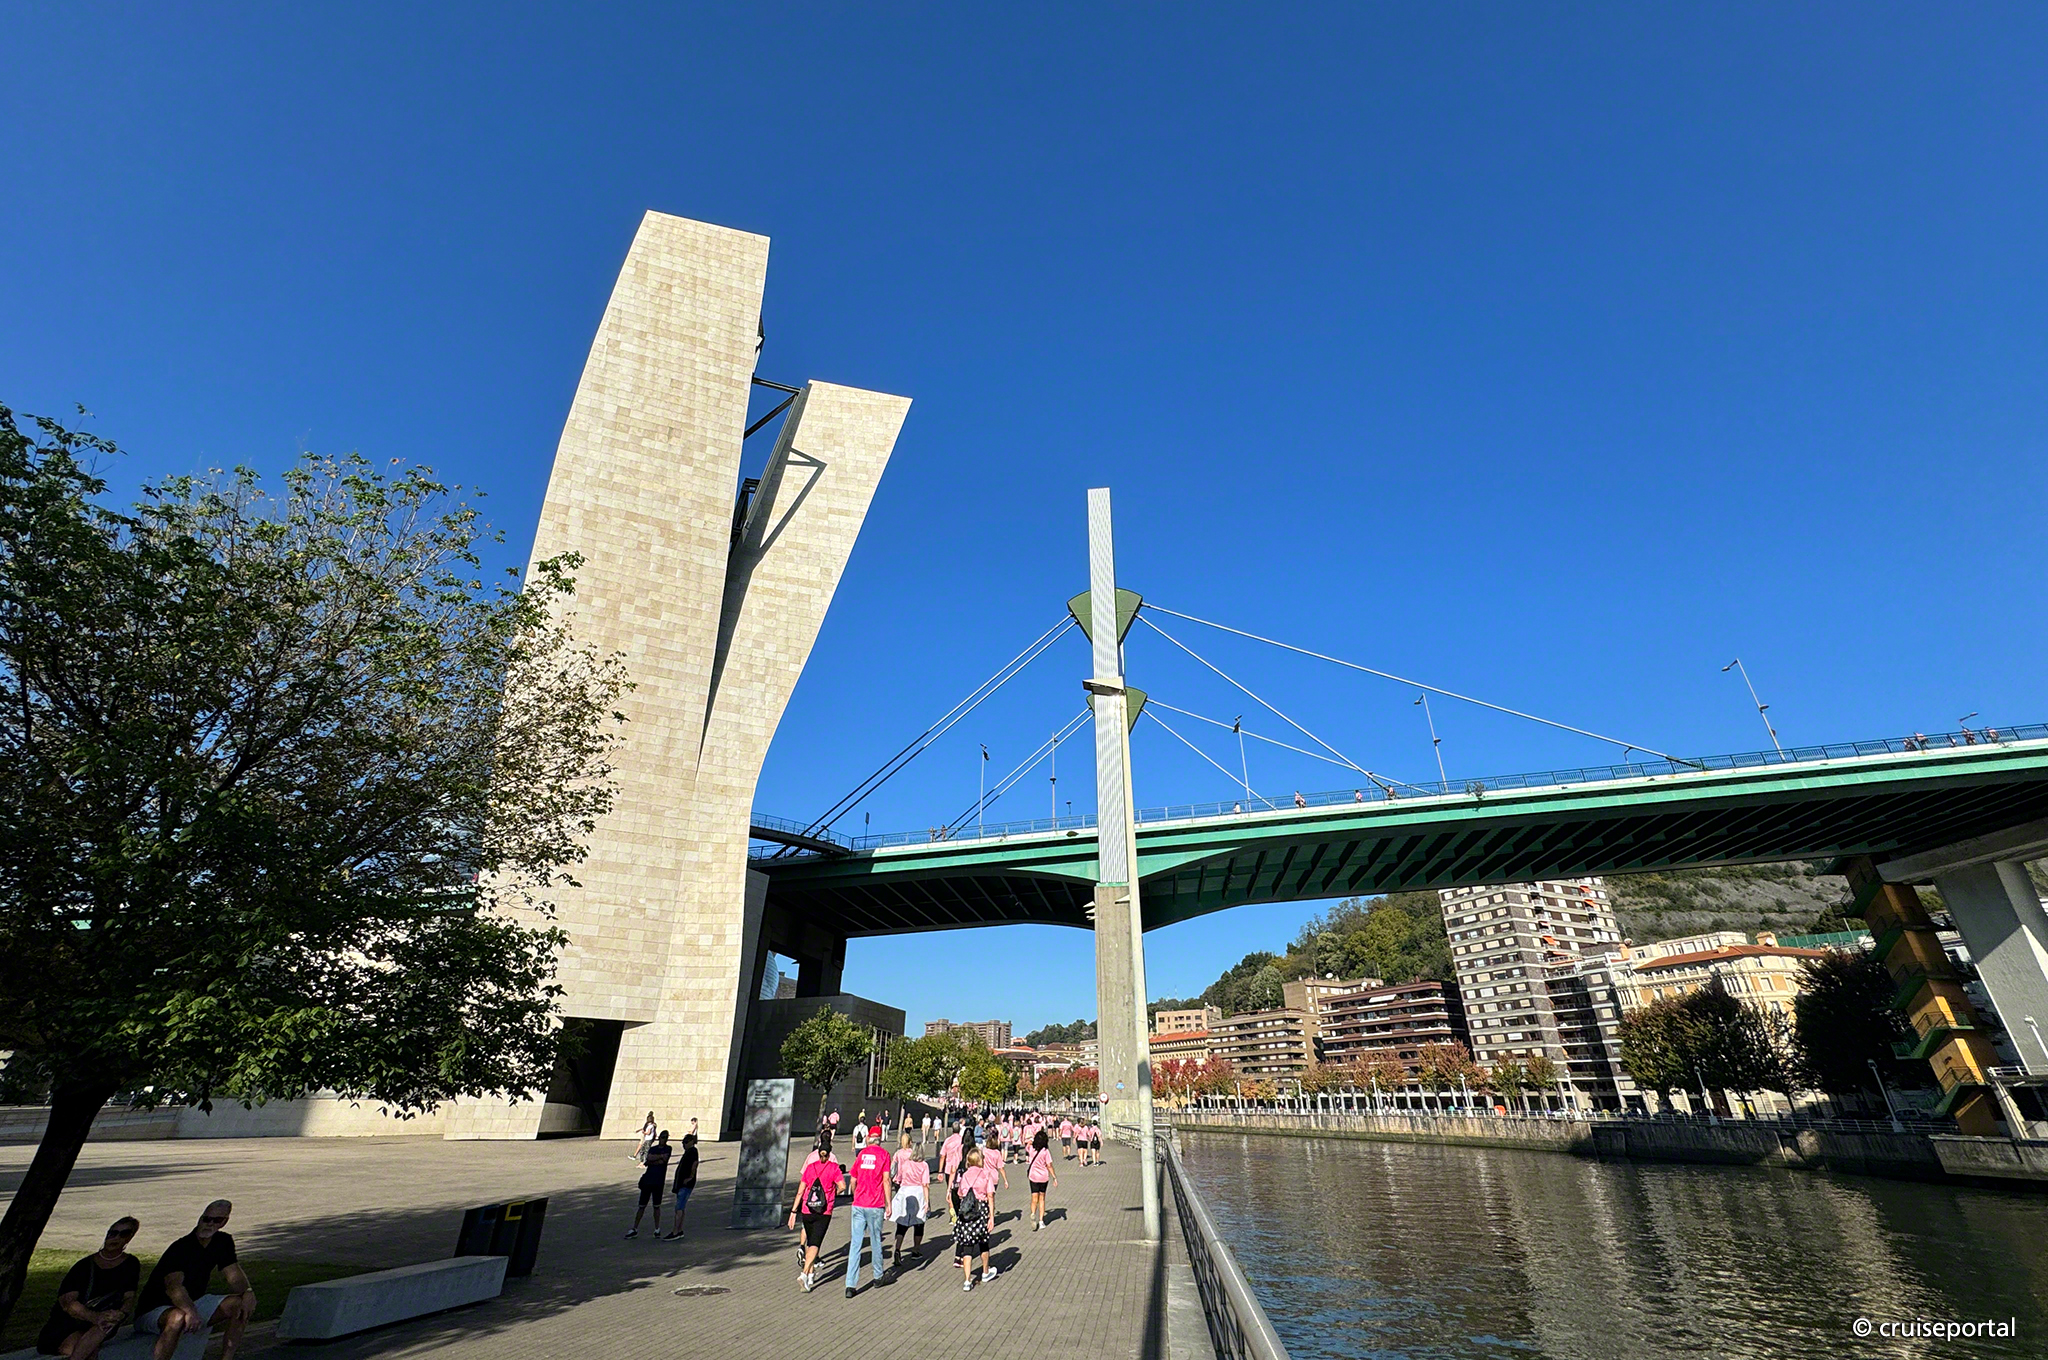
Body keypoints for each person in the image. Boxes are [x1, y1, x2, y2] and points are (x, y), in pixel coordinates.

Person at [136, 1201, 254, 1360]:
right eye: (206, 1219)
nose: (210, 1224)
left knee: (240, 1305)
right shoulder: (180, 1247)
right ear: (200, 1218)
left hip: (193, 1301)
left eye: (216, 1220)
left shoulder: (223, 1241)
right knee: (177, 1317)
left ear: (224, 1222)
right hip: (156, 1308)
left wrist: (247, 1292)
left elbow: (233, 1273)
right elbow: (174, 1287)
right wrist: (190, 1311)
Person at [37, 1217, 140, 1359]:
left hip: (102, 1324)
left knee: (102, 1328)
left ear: (130, 1237)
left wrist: (121, 1313)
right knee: (89, 1348)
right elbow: (68, 1303)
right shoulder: (84, 1266)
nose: (116, 1238)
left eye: (124, 1234)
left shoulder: (131, 1264)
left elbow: (129, 1296)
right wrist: (95, 1317)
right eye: (113, 1233)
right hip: (68, 1324)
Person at [788, 1132, 843, 1292]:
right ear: (829, 1153)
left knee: (810, 1240)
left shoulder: (810, 1167)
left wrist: (793, 1211)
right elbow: (842, 1186)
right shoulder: (833, 1167)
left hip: (807, 1209)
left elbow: (800, 1191)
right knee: (815, 1244)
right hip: (824, 1211)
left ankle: (811, 1274)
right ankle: (804, 1274)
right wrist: (832, 1194)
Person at [843, 1124, 893, 1297]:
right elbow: (886, 1180)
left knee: (855, 1244)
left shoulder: (862, 1154)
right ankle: (878, 1276)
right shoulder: (884, 1155)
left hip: (859, 1203)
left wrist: (855, 1194)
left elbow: (853, 1179)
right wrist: (889, 1203)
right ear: (880, 1139)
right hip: (875, 1204)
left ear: (868, 1138)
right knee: (875, 1241)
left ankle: (850, 1284)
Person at [952, 1147, 1000, 1290]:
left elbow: (960, 1194)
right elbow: (990, 1195)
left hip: (967, 1213)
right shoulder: (985, 1174)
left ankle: (967, 1280)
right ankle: (985, 1271)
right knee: (983, 1242)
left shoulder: (965, 1175)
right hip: (981, 1210)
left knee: (967, 1245)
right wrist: (991, 1216)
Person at [888, 1129, 931, 1272]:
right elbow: (925, 1184)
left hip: (905, 1191)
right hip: (918, 1192)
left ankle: (897, 1249)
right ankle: (916, 1250)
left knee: (902, 1224)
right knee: (919, 1223)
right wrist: (927, 1201)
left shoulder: (906, 1163)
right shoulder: (924, 1165)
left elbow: (898, 1178)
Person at [626, 1131, 674, 1238]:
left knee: (656, 1206)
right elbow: (648, 1160)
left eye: (665, 1137)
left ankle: (657, 1229)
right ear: (659, 1138)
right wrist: (659, 1158)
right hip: (648, 1180)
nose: (663, 1139)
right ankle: (635, 1228)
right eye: (662, 1137)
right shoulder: (653, 1148)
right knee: (642, 1206)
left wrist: (655, 1159)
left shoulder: (668, 1148)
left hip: (658, 1182)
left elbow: (664, 1160)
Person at [662, 1132, 699, 1240]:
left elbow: (695, 1164)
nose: (684, 1144)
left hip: (685, 1184)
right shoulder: (688, 1152)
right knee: (681, 1208)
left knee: (679, 1207)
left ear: (691, 1142)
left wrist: (690, 1177)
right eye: (683, 1142)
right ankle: (679, 1230)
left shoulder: (692, 1151)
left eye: (686, 1142)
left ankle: (675, 1232)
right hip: (682, 1183)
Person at [1027, 1128, 1058, 1231]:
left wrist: (1030, 1141)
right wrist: (1054, 1177)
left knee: (1034, 1198)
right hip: (1043, 1177)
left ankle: (1033, 1213)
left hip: (1033, 1176)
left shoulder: (1031, 1149)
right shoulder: (1045, 1151)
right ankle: (1041, 1221)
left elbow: (1027, 1145)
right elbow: (1049, 1165)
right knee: (1042, 1199)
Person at [938, 1120, 965, 1217]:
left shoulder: (947, 1140)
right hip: (959, 1168)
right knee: (960, 1189)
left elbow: (942, 1156)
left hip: (948, 1169)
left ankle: (953, 1214)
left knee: (950, 1190)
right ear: (960, 1129)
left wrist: (940, 1171)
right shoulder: (962, 1140)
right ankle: (961, 1211)